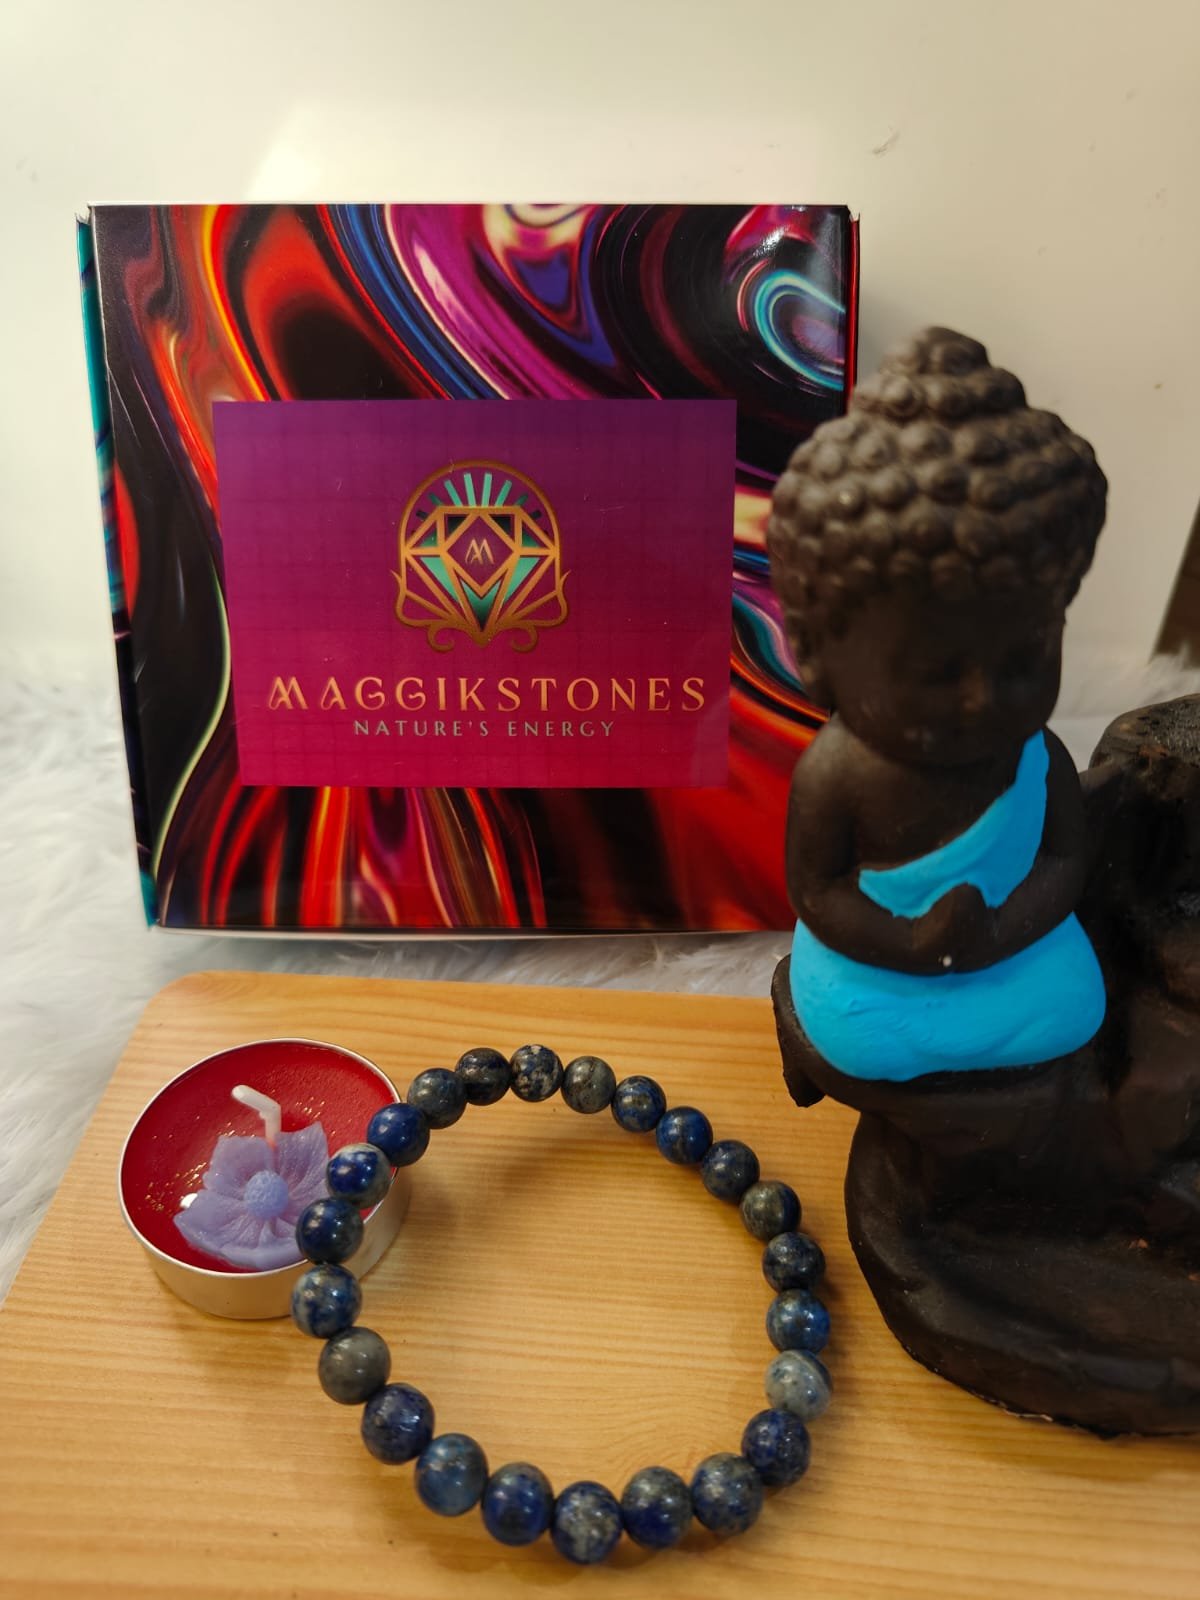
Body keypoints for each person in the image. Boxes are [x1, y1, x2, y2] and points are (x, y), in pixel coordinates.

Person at [766, 327, 1107, 1082]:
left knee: (1076, 1004)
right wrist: (913, 945)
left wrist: (1002, 932)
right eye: (935, 673)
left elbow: (1064, 858)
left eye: (1024, 661)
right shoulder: (838, 774)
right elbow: (819, 891)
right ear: (815, 654)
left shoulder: (1036, 756)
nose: (983, 700)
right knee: (863, 1040)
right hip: (877, 967)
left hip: (1012, 957)